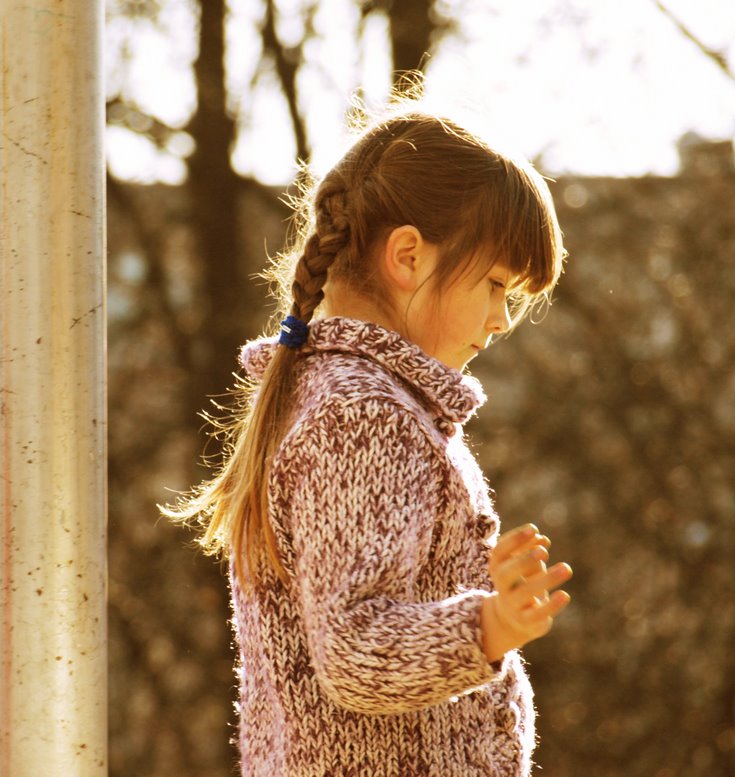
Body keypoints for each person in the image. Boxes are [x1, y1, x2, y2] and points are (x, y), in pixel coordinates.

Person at [163, 108, 572, 776]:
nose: (502, 319)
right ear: (408, 256)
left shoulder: (335, 396)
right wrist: (491, 626)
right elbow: (355, 649)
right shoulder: (364, 416)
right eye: (496, 284)